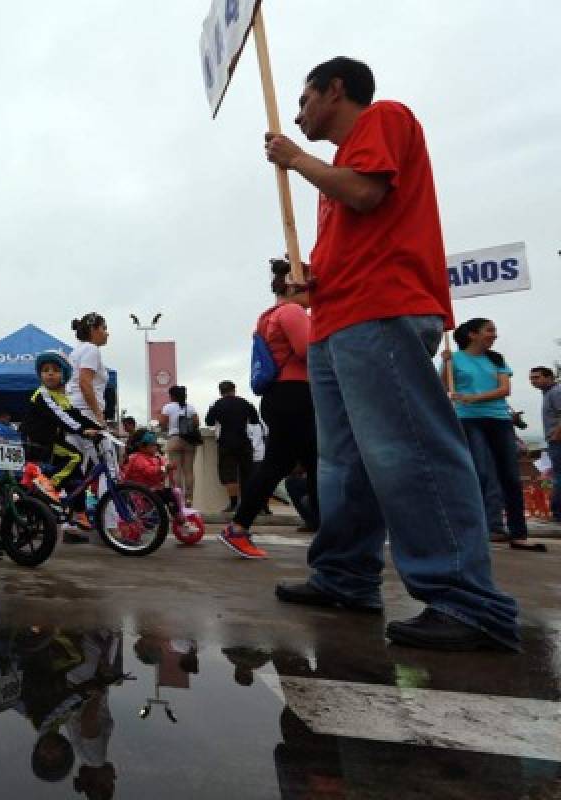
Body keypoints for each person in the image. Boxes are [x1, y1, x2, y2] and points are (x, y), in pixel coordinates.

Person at [264, 56, 518, 650]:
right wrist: (308, 280)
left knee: (409, 452)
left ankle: (466, 600)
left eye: (304, 101)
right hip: (339, 319)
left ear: (335, 90)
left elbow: (367, 195)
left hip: (380, 311)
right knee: (345, 462)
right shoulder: (337, 173)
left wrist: (296, 160)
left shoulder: (382, 119)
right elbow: (347, 237)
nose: (298, 115)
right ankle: (345, 576)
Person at [220, 260, 318, 559]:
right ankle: (331, 532)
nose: (315, 293)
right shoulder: (292, 312)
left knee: (287, 464)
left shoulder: (268, 316)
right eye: (310, 286)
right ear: (293, 285)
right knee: (315, 462)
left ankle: (239, 527)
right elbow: (308, 350)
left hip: (280, 395)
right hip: (296, 394)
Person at [445, 318, 543, 552]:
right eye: (489, 330)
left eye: (495, 331)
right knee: (479, 473)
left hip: (499, 420)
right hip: (468, 420)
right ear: (472, 334)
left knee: (510, 476)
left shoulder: (496, 359)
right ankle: (475, 532)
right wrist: (445, 363)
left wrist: (473, 398)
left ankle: (519, 535)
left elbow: (504, 390)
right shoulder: (454, 359)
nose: (494, 335)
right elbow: (445, 387)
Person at [21, 350, 103, 541]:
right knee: (74, 457)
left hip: (52, 441)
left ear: (64, 375)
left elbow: (75, 415)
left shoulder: (61, 396)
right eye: (46, 370)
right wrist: (83, 431)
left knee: (77, 476)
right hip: (38, 442)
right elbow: (61, 417)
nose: (50, 373)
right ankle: (49, 487)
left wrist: (99, 428)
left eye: (55, 370)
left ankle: (77, 514)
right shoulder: (42, 394)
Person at [205, 381, 259, 513]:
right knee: (247, 473)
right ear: (234, 389)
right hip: (243, 442)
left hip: (226, 443)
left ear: (220, 392)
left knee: (229, 474)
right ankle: (248, 504)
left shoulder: (217, 404)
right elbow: (255, 420)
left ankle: (234, 504)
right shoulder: (244, 403)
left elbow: (209, 422)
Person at [528, 366, 561, 522]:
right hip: (554, 440)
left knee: (558, 477)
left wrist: (556, 434)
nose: (533, 381)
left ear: (550, 377)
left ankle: (558, 514)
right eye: (531, 378)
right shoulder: (548, 394)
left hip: (558, 440)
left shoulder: (555, 392)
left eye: (537, 377)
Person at [159, 386, 199, 497]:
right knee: (189, 471)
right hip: (189, 440)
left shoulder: (168, 407)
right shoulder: (190, 408)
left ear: (172, 396)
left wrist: (167, 428)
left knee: (176, 471)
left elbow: (162, 423)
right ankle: (189, 499)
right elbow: (196, 423)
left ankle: (179, 499)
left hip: (174, 438)